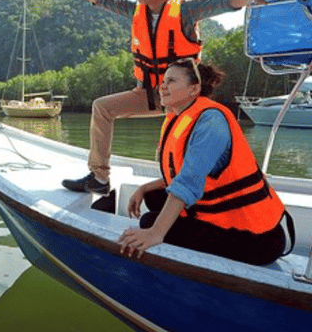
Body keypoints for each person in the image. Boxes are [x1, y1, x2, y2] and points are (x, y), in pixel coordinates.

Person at [38, 0, 285, 195]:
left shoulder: (186, 10)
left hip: (183, 100)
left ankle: (200, 187)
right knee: (101, 108)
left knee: (173, 149)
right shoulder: (134, 10)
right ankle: (99, 177)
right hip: (149, 95)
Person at [118, 59, 290, 265]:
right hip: (227, 216)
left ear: (194, 88)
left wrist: (155, 233)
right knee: (154, 197)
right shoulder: (180, 117)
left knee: (149, 222)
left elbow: (188, 181)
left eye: (171, 81)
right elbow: (182, 173)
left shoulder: (211, 122)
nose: (162, 86)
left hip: (259, 239)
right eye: (163, 81)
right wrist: (145, 187)